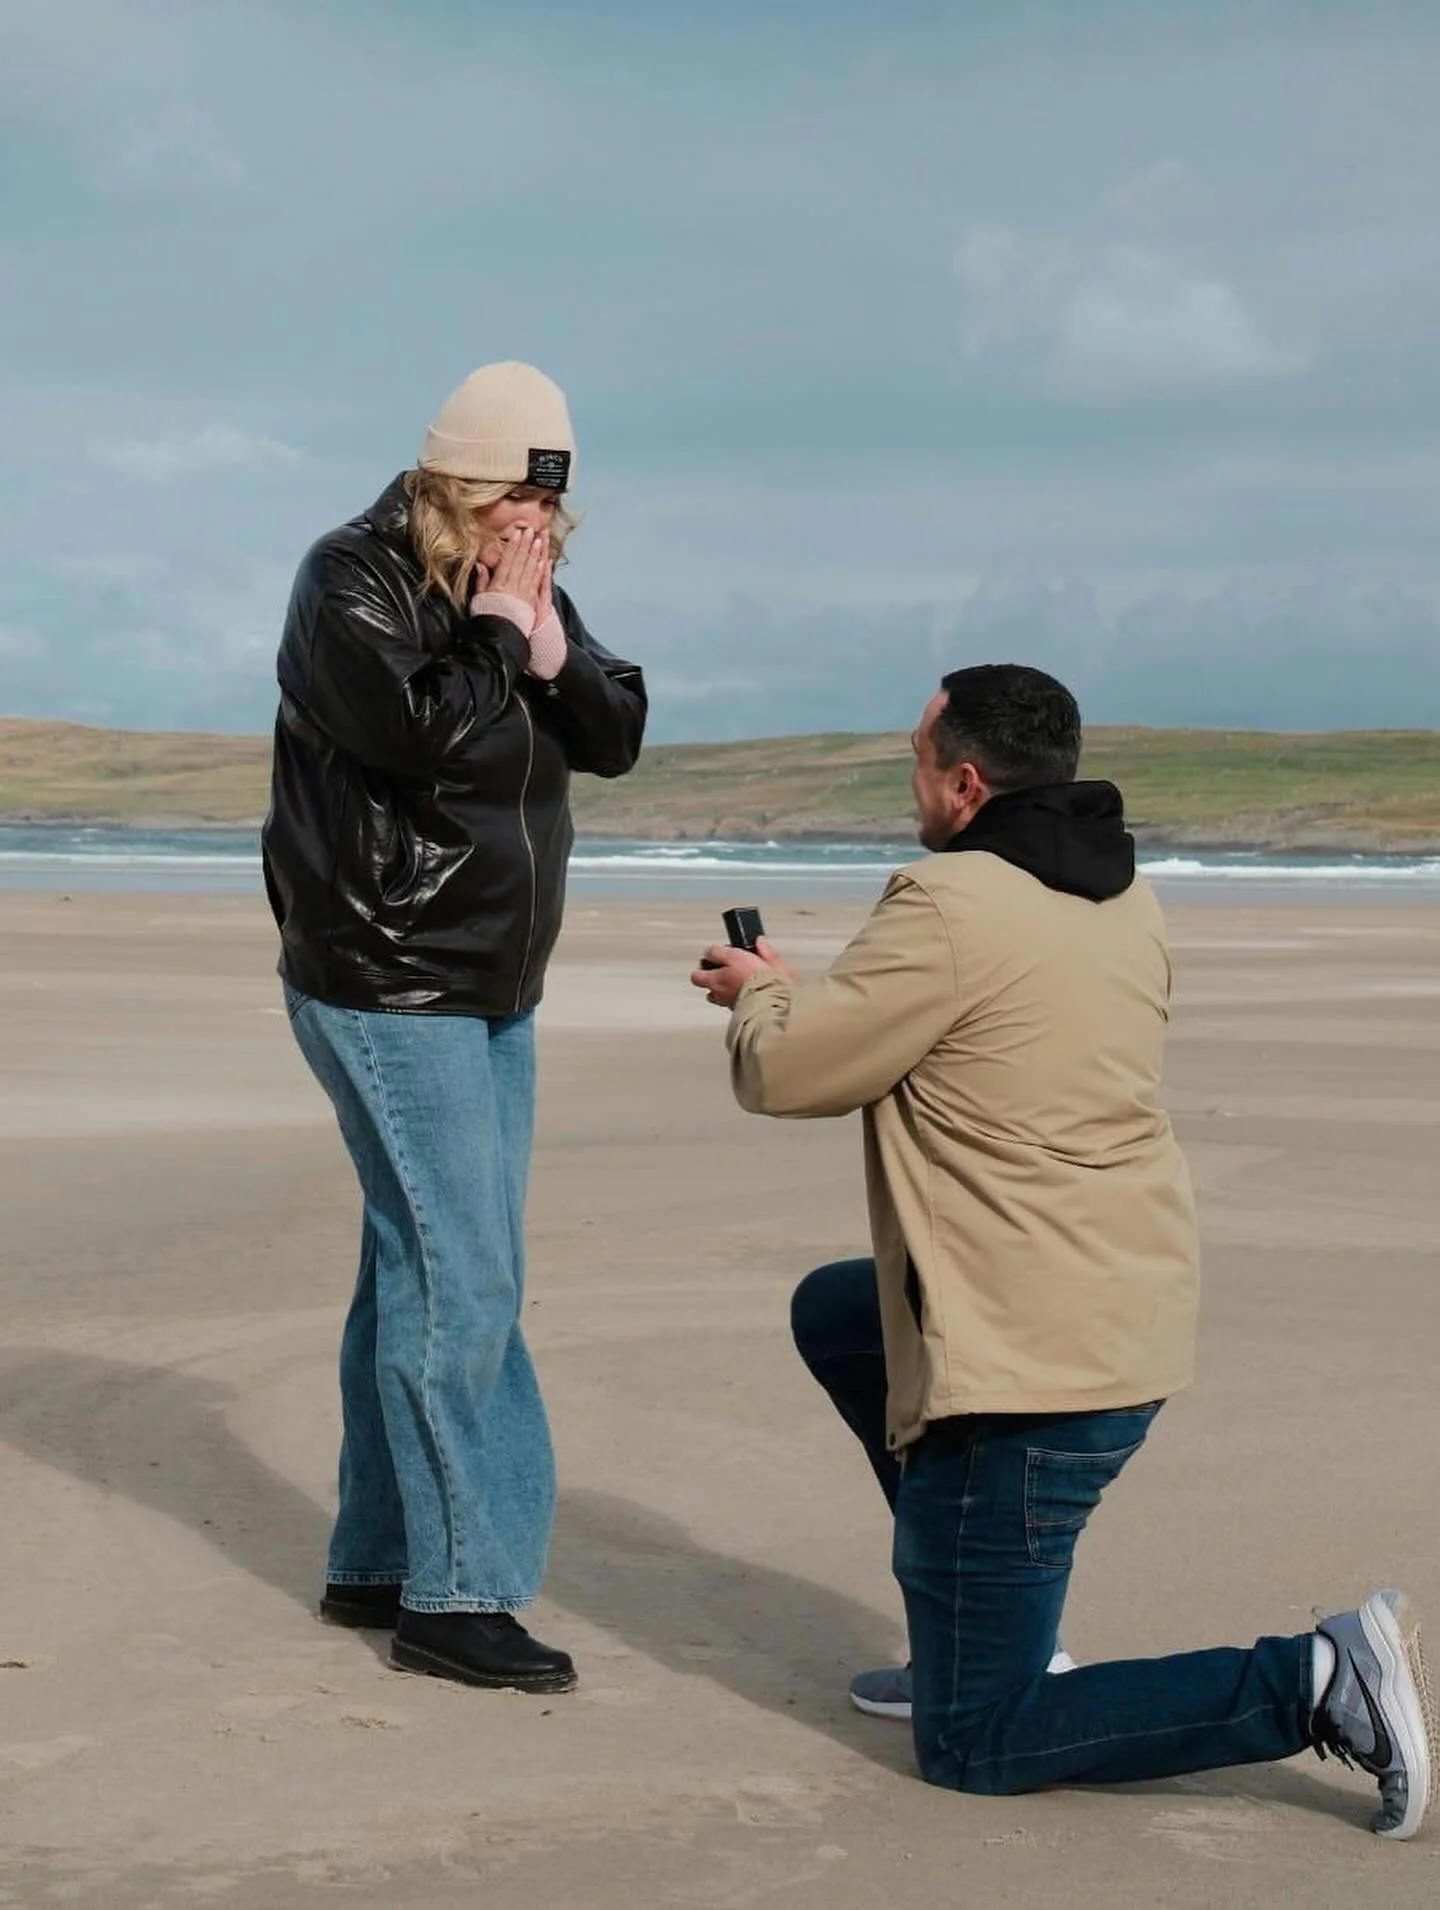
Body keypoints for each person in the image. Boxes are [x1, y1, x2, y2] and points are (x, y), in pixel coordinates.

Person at [690, 664, 1435, 1838]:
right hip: (1121, 1309)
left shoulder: (949, 901)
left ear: (969, 781)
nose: (916, 787)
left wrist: (757, 996)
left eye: (920, 765)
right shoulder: (1124, 894)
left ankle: (1315, 1679)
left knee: (977, 1741)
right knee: (842, 1310)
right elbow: (972, 1024)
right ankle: (972, 1625)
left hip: (1025, 1371)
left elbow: (789, 1071)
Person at [263, 361, 646, 1693]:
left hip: (492, 980)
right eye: (505, 507)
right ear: (449, 483)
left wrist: (548, 643)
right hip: (385, 973)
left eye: (548, 520)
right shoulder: (349, 578)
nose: (529, 539)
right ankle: (459, 1591)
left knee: (412, 1264)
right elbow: (416, 734)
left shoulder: (521, 587)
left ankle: (377, 1557)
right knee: (467, 1275)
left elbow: (615, 731)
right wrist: (494, 628)